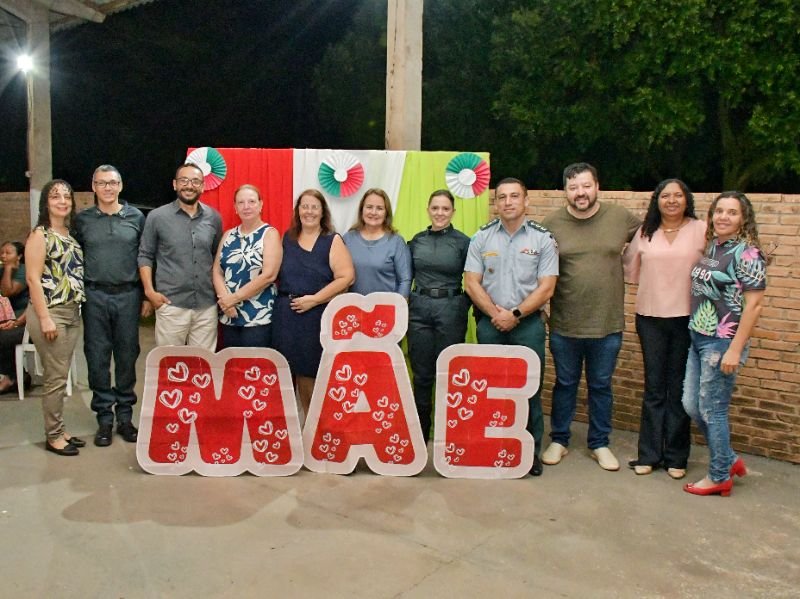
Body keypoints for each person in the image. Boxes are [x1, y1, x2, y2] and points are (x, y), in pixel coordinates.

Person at [542, 163, 640, 471]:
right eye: (573, 188)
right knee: (565, 384)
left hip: (607, 323)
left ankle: (599, 443)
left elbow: (652, 235)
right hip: (565, 323)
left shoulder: (620, 217)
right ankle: (560, 440)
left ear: (597, 186)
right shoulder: (551, 223)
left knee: (601, 386)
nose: (580, 193)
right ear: (565, 191)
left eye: (586, 186)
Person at [464, 177, 559, 476]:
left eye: (514, 196)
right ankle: (492, 447)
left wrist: (515, 314)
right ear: (496, 203)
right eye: (502, 197)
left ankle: (529, 453)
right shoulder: (482, 237)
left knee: (529, 389)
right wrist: (496, 314)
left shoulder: (543, 239)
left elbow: (547, 287)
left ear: (526, 201)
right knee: (489, 388)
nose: (508, 202)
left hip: (528, 325)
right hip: (490, 323)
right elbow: (471, 282)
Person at [682, 192, 767, 497]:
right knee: (692, 405)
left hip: (722, 342)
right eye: (719, 211)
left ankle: (719, 475)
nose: (723, 217)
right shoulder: (714, 247)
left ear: (744, 218)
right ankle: (729, 459)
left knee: (713, 410)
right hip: (699, 336)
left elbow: (754, 306)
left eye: (732, 212)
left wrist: (734, 349)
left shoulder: (748, 254)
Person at [623, 179, 706, 479]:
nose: (671, 200)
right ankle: (649, 455)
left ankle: (676, 457)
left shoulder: (701, 229)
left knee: (679, 390)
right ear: (656, 201)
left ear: (687, 200)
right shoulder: (645, 232)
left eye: (677, 195)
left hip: (687, 319)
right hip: (650, 318)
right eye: (665, 196)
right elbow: (630, 269)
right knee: (654, 389)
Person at [74, 165, 150, 447]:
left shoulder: (136, 217)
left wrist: (146, 295)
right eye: (102, 183)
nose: (108, 188)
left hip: (128, 295)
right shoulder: (83, 220)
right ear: (93, 187)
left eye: (112, 182)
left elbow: (145, 257)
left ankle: (125, 418)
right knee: (97, 357)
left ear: (121, 186)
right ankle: (104, 419)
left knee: (127, 356)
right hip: (94, 295)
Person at [272, 189, 355, 418]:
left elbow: (347, 277)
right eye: (304, 206)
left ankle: (313, 427)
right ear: (298, 211)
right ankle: (292, 428)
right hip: (285, 316)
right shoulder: (287, 238)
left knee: (309, 374)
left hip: (315, 316)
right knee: (285, 373)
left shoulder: (331, 240)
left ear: (322, 211)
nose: (309, 211)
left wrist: (315, 299)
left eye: (314, 207)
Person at [25, 180, 85, 456]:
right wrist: (45, 318)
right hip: (51, 313)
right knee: (55, 378)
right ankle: (54, 436)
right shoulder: (40, 235)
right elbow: (33, 279)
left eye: (66, 197)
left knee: (61, 375)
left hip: (72, 312)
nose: (62, 201)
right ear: (45, 203)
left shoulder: (69, 235)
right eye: (55, 196)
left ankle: (59, 429)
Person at [407, 189, 471, 444]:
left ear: (453, 212)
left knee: (449, 373)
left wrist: (462, 305)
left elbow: (475, 278)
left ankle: (449, 437)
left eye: (445, 208)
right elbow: (405, 275)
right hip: (419, 309)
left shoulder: (464, 242)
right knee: (422, 375)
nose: (440, 213)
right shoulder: (416, 241)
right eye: (435, 208)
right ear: (428, 210)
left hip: (451, 308)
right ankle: (421, 435)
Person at [138, 163, 222, 350]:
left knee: (203, 364)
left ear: (202, 186)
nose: (189, 186)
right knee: (170, 363)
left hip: (206, 308)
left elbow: (217, 258)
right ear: (175, 184)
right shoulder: (157, 217)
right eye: (184, 180)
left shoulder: (214, 218)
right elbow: (145, 255)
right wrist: (149, 292)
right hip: (171, 305)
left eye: (195, 181)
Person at [212, 184, 282, 348]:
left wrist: (233, 299)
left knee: (255, 362)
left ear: (260, 205)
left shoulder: (269, 234)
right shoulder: (228, 235)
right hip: (229, 314)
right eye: (241, 202)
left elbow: (269, 275)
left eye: (251, 201)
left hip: (258, 316)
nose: (246, 206)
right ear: (235, 208)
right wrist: (225, 301)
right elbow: (217, 271)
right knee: (231, 361)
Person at [343, 188, 412, 298]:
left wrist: (398, 305)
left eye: (379, 208)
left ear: (386, 213)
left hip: (385, 306)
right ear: (362, 210)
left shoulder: (396, 242)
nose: (373, 212)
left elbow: (405, 280)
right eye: (369, 207)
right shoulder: (348, 239)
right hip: (353, 306)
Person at [0, 241, 29, 394]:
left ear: (19, 256)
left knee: (3, 337)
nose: (3, 256)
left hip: (25, 323)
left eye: (8, 253)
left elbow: (7, 291)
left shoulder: (23, 270)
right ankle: (18, 376)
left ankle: (11, 377)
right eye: (2, 253)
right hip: (7, 320)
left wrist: (8, 269)